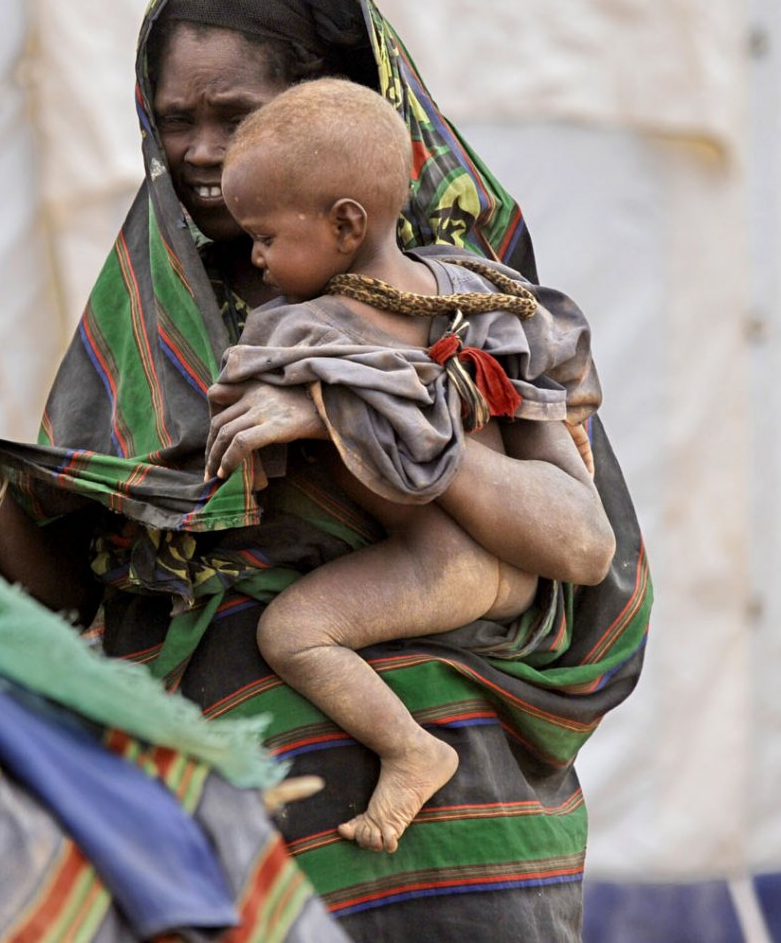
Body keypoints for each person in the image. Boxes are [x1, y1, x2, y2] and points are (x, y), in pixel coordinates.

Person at [0, 0, 650, 942]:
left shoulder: (473, 306)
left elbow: (579, 550)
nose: (199, 151)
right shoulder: (148, 325)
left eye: (232, 117)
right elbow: (72, 595)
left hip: (465, 829)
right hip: (236, 831)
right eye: (173, 122)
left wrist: (344, 415)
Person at [211, 77, 607, 854]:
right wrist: (565, 413)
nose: (253, 258)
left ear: (346, 224)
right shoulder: (480, 289)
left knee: (291, 632)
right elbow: (555, 369)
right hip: (519, 570)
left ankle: (409, 746)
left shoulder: (301, 329)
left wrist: (303, 412)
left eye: (262, 236)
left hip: (438, 567)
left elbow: (233, 405)